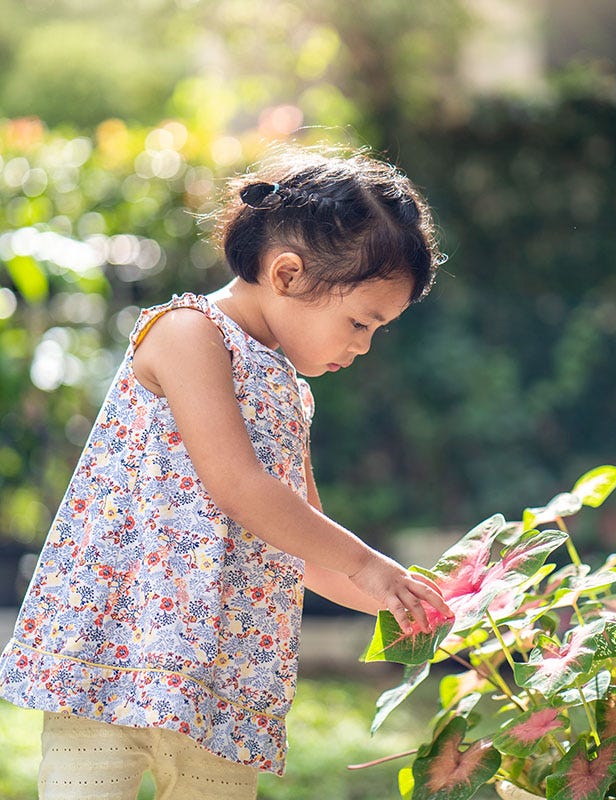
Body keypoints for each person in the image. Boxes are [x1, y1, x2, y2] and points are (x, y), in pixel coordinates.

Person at [0, 143, 453, 799]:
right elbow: (238, 485)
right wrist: (366, 563)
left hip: (222, 669)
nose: (362, 345)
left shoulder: (290, 391)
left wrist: (402, 599)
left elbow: (301, 540)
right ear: (289, 274)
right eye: (360, 322)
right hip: (118, 646)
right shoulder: (188, 333)